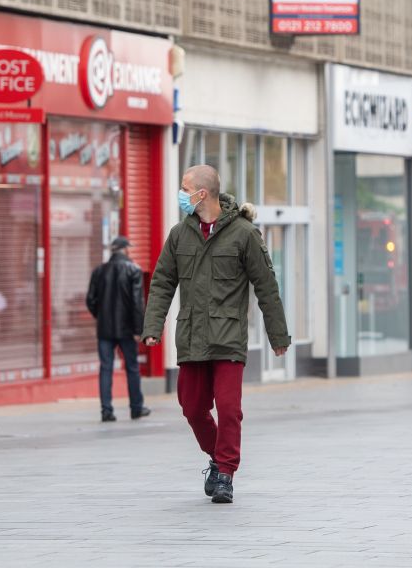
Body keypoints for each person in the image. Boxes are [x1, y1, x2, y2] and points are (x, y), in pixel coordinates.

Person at [141, 165, 290, 504]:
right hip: (191, 336)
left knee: (228, 407)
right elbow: (163, 282)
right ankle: (217, 455)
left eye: (185, 187)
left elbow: (266, 287)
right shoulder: (180, 234)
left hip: (228, 337)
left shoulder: (244, 234)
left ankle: (225, 472)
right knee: (192, 408)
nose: (181, 193)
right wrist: (153, 327)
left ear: (201, 193)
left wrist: (277, 336)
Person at [86, 236, 151, 422]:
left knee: (106, 368)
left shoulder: (99, 271)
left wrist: (102, 317)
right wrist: (139, 329)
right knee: (132, 367)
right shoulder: (133, 270)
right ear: (125, 250)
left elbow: (90, 300)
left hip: (105, 329)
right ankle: (136, 408)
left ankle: (106, 410)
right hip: (127, 329)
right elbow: (137, 303)